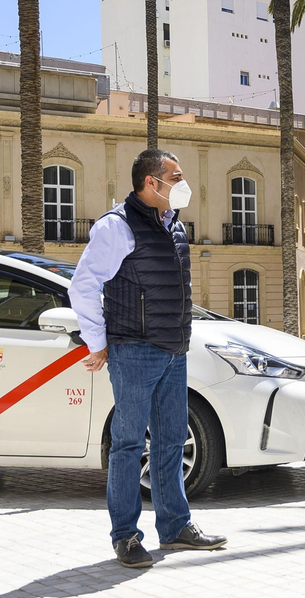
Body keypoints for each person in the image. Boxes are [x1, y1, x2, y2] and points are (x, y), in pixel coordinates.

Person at [69, 149, 227, 568]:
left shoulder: (173, 225)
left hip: (173, 350)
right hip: (134, 350)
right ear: (151, 183)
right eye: (175, 177)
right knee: (128, 444)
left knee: (172, 440)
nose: (183, 183)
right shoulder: (116, 227)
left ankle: (175, 527)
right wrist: (96, 342)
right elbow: (83, 286)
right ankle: (125, 536)